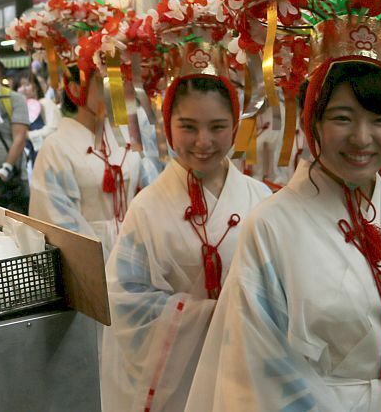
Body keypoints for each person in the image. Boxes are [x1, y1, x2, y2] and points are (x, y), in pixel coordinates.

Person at [186, 56, 381, 411]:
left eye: (379, 120)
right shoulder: (271, 226)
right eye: (342, 118)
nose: (362, 138)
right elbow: (257, 366)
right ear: (312, 122)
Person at [102, 71, 272, 412]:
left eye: (218, 127)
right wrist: (211, 315)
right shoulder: (147, 207)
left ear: (235, 127)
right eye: (189, 127)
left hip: (247, 363)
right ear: (168, 125)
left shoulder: (261, 198)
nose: (203, 141)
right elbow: (124, 301)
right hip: (177, 379)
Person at [28, 67, 145, 259]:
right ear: (75, 89)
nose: (114, 90)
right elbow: (58, 224)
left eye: (118, 80)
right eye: (102, 82)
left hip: (138, 252)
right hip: (90, 262)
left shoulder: (128, 137)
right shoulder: (55, 147)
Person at [0, 49, 29, 213]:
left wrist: (5, 169)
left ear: (0, 70)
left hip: (9, 182)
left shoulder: (15, 99)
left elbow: (20, 137)